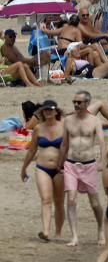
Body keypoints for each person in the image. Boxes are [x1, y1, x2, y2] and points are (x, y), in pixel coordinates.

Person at [59, 91, 107, 247]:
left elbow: (101, 142)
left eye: (79, 102)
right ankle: (74, 236)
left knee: (94, 202)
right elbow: (64, 143)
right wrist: (60, 163)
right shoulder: (68, 120)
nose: (76, 105)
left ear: (87, 103)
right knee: (71, 199)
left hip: (89, 164)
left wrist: (102, 161)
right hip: (71, 163)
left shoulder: (94, 121)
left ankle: (101, 229)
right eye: (74, 102)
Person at [19, 100, 65, 241]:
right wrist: (24, 167)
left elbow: (69, 148)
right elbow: (32, 150)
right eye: (45, 110)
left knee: (59, 202)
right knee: (45, 199)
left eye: (51, 110)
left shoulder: (64, 127)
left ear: (56, 111)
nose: (48, 112)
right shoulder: (38, 128)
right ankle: (45, 231)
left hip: (60, 169)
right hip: (42, 167)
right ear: (42, 112)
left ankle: (57, 232)